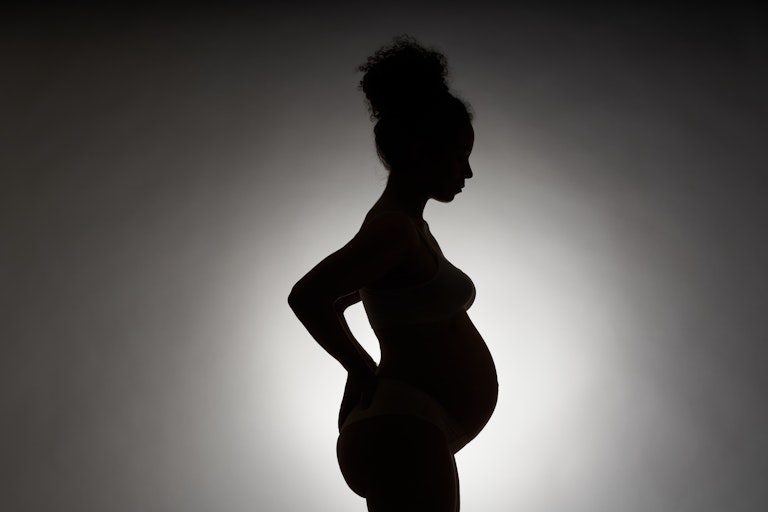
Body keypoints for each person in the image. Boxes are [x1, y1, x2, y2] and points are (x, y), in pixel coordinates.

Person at [288, 35, 498, 511]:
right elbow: (308, 296)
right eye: (459, 155)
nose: (467, 172)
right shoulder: (395, 231)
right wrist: (359, 365)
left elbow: (352, 293)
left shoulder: (408, 229)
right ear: (425, 149)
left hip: (412, 427)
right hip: (403, 426)